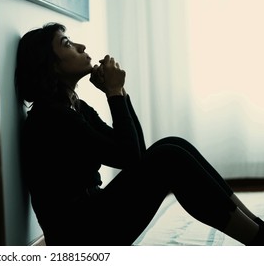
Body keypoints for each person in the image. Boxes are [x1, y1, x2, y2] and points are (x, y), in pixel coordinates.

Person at [14, 22, 264, 246]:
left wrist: (119, 92)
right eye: (67, 44)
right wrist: (113, 92)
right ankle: (258, 240)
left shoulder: (72, 106)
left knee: (172, 145)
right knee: (169, 157)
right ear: (51, 65)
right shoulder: (52, 118)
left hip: (92, 217)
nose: (81, 46)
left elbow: (136, 153)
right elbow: (130, 157)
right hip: (82, 237)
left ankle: (257, 228)